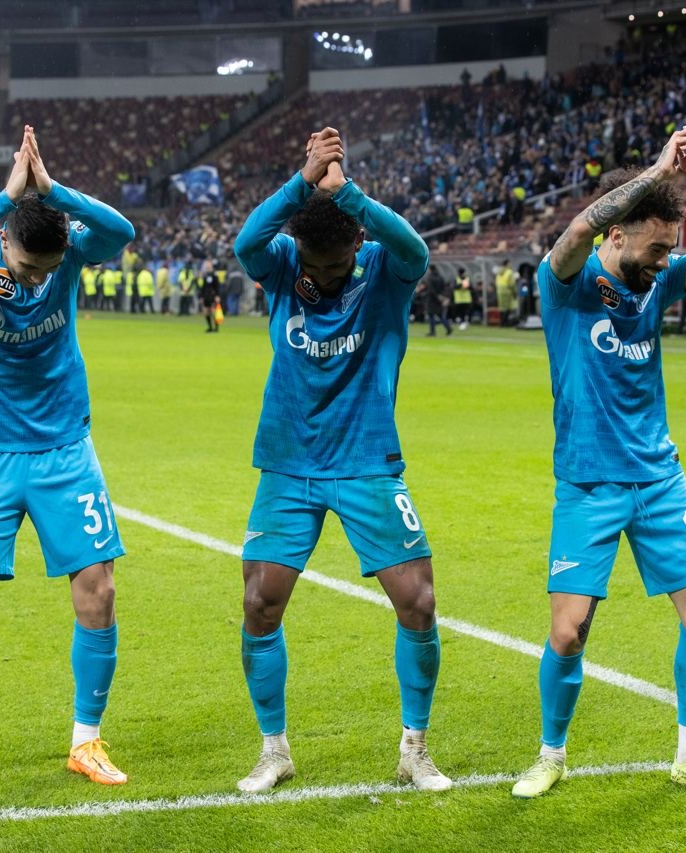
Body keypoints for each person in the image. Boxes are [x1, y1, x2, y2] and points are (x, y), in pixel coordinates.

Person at [512, 125, 686, 799]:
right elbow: (577, 229)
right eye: (652, 249)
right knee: (568, 629)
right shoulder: (565, 283)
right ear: (617, 235)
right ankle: (551, 754)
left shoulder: (659, 281)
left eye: (668, 251)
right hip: (589, 481)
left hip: (658, 476)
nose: (661, 262)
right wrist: (654, 171)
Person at [0, 125, 136, 795]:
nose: (36, 281)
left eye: (48, 270)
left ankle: (86, 739)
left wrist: (52, 190)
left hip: (66, 450)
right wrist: (5, 197)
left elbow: (120, 232)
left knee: (97, 589)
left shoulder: (62, 254)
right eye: (25, 267)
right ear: (5, 240)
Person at [232, 126, 451, 795]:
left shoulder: (384, 270)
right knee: (260, 602)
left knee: (417, 601)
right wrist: (304, 183)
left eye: (331, 270)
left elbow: (416, 247)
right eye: (310, 266)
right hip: (289, 463)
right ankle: (274, 750)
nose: (319, 282)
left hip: (366, 462)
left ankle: (415, 748)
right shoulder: (282, 263)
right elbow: (246, 244)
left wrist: (346, 194)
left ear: (357, 243)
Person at [422, 265, 452, 336]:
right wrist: (441, 296)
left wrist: (437, 296)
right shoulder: (441, 277)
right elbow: (444, 287)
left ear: (430, 269)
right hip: (440, 299)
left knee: (431, 315)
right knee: (440, 315)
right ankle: (448, 328)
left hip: (432, 299)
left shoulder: (430, 277)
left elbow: (431, 290)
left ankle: (432, 332)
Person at [200, 260, 222, 333]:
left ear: (211, 265)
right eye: (206, 265)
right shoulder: (205, 275)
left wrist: (217, 296)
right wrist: (201, 296)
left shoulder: (214, 275)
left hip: (212, 296)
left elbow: (217, 286)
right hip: (206, 296)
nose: (207, 266)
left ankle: (216, 328)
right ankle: (209, 327)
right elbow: (203, 287)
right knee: (206, 312)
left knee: (213, 312)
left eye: (208, 265)